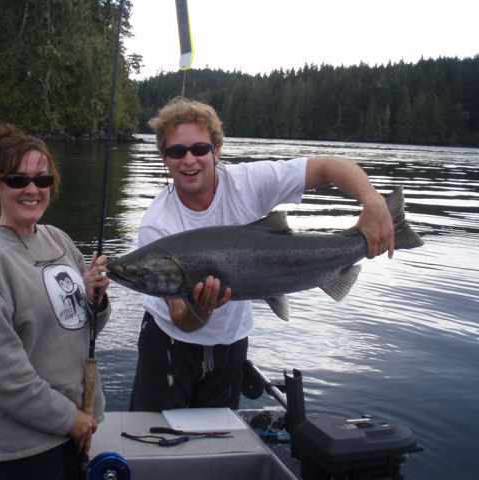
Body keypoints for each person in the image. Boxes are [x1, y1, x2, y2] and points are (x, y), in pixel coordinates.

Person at [128, 97, 394, 412]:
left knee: (218, 444)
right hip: (168, 345)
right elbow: (180, 319)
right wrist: (201, 310)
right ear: (164, 158)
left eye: (199, 149)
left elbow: (328, 166)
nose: (189, 160)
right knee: (153, 437)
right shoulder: (157, 226)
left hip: (231, 343)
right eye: (176, 152)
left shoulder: (247, 182)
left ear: (216, 151)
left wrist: (373, 201)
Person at [0, 124, 111, 480]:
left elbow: (82, 328)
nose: (31, 190)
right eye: (17, 180)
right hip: (21, 449)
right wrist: (68, 418)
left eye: (42, 180)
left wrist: (93, 299)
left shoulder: (58, 240)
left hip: (75, 428)